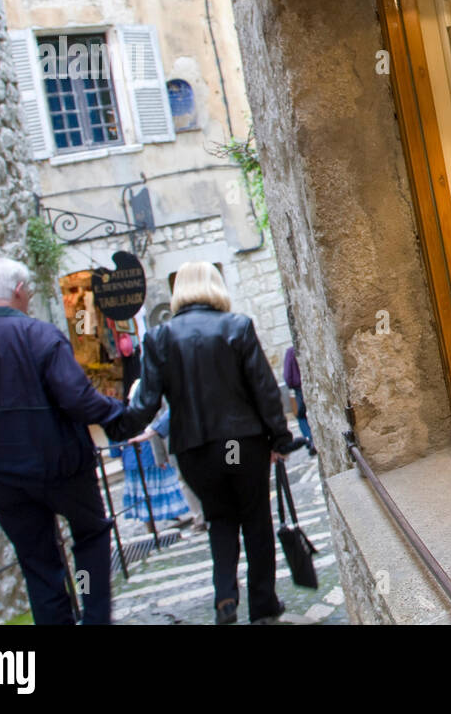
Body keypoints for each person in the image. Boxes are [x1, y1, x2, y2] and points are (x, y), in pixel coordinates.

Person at [0, 257, 124, 625]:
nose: (30, 297)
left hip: (6, 479)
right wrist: (118, 416)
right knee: (90, 536)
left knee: (38, 563)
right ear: (18, 291)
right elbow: (77, 399)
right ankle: (95, 618)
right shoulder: (40, 336)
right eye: (30, 290)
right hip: (63, 465)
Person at [108, 262, 296, 625]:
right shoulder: (236, 326)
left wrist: (118, 428)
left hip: (194, 449)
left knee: (220, 519)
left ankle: (225, 597)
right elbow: (265, 389)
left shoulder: (159, 338)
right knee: (256, 521)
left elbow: (145, 403)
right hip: (241, 443)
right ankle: (263, 604)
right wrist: (281, 437)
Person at [112, 381, 189, 527]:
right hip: (146, 456)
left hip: (138, 458)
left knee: (145, 493)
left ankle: (154, 525)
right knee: (159, 489)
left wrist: (117, 454)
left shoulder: (124, 413)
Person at [283, 345, 317, 456]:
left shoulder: (290, 352)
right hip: (312, 385)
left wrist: (291, 385)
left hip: (299, 389)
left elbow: (288, 376)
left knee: (302, 416)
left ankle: (310, 439)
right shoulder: (304, 348)